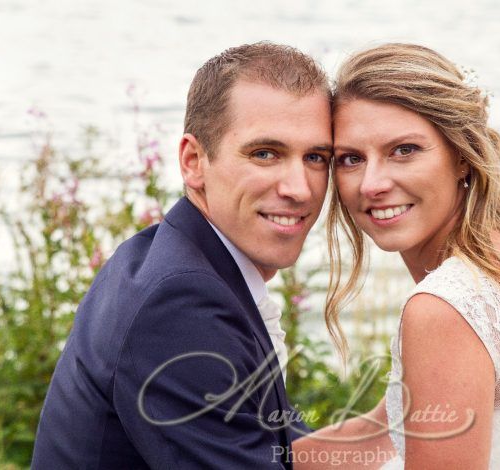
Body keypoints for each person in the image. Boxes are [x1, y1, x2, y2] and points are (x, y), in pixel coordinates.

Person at [299, 43, 500, 468]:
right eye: (350, 159)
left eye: (404, 150)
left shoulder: (448, 309)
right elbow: (381, 432)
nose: (372, 183)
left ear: (461, 156)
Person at [31, 42, 332, 469]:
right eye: (265, 153)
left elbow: (279, 446)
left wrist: (393, 423)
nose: (299, 188)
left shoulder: (173, 258)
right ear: (193, 161)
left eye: (316, 157)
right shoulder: (180, 307)